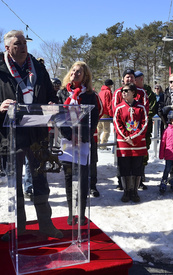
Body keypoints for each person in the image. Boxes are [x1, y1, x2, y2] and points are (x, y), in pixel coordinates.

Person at [0, 30, 63, 240]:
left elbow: (51, 94)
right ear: (8, 48)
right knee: (14, 184)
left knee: (40, 180)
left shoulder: (38, 67)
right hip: (11, 135)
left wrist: (53, 103)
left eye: (25, 42)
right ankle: (20, 228)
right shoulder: (0, 70)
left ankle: (46, 224)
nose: (24, 46)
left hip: (37, 132)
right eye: (18, 43)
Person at [57, 61, 99, 225]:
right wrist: (69, 134)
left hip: (83, 141)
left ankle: (81, 214)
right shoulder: (61, 94)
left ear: (85, 76)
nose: (75, 73)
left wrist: (82, 135)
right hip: (67, 140)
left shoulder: (90, 95)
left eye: (79, 72)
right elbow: (59, 116)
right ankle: (70, 212)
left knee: (82, 178)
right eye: (73, 70)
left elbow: (94, 118)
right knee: (68, 177)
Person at [112, 69, 149, 190]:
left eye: (131, 77)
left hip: (139, 134)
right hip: (123, 135)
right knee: (124, 163)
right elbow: (116, 114)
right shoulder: (118, 93)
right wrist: (126, 136)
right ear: (123, 79)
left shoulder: (142, 94)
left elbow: (145, 113)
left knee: (138, 162)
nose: (129, 79)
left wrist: (135, 135)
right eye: (127, 77)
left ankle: (137, 185)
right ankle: (123, 184)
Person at [134, 71, 157, 188]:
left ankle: (141, 174)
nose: (133, 80)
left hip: (145, 127)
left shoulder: (149, 93)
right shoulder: (131, 91)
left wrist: (143, 118)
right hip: (132, 128)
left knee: (144, 149)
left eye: (135, 78)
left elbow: (152, 109)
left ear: (141, 79)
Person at [97, 79, 113, 150]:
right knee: (107, 130)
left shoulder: (100, 92)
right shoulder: (108, 92)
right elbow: (109, 104)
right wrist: (111, 114)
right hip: (105, 113)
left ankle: (97, 142)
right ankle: (103, 145)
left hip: (99, 112)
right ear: (110, 85)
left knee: (99, 128)